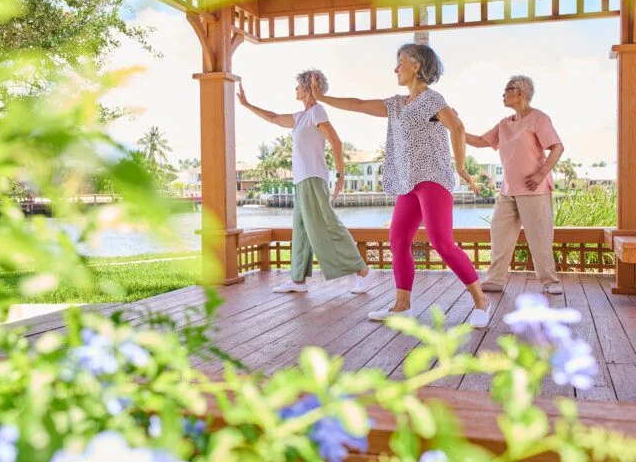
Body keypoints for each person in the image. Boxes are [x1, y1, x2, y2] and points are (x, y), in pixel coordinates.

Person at [311, 43, 491, 327]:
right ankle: (402, 305)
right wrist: (323, 97)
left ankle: (481, 300)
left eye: (401, 63)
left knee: (441, 242)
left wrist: (460, 167)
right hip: (409, 181)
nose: (396, 69)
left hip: (432, 177)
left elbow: (457, 127)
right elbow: (358, 104)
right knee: (397, 240)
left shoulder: (431, 100)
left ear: (416, 66)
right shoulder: (396, 104)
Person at [237, 69, 377, 294]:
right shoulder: (300, 117)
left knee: (328, 225)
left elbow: (336, 142)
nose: (295, 89)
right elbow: (273, 117)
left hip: (313, 177)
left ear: (308, 88)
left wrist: (341, 175)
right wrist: (247, 104)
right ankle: (298, 280)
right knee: (301, 229)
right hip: (302, 180)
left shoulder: (317, 111)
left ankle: (362, 270)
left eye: (298, 86)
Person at [465, 75, 565, 294]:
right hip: (508, 190)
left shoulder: (539, 119)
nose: (503, 94)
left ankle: (550, 280)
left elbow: (557, 148)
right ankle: (495, 280)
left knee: (539, 237)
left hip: (534, 188)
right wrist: (454, 126)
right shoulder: (504, 124)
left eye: (506, 90)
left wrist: (541, 173)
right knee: (499, 235)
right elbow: (481, 141)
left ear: (520, 92)